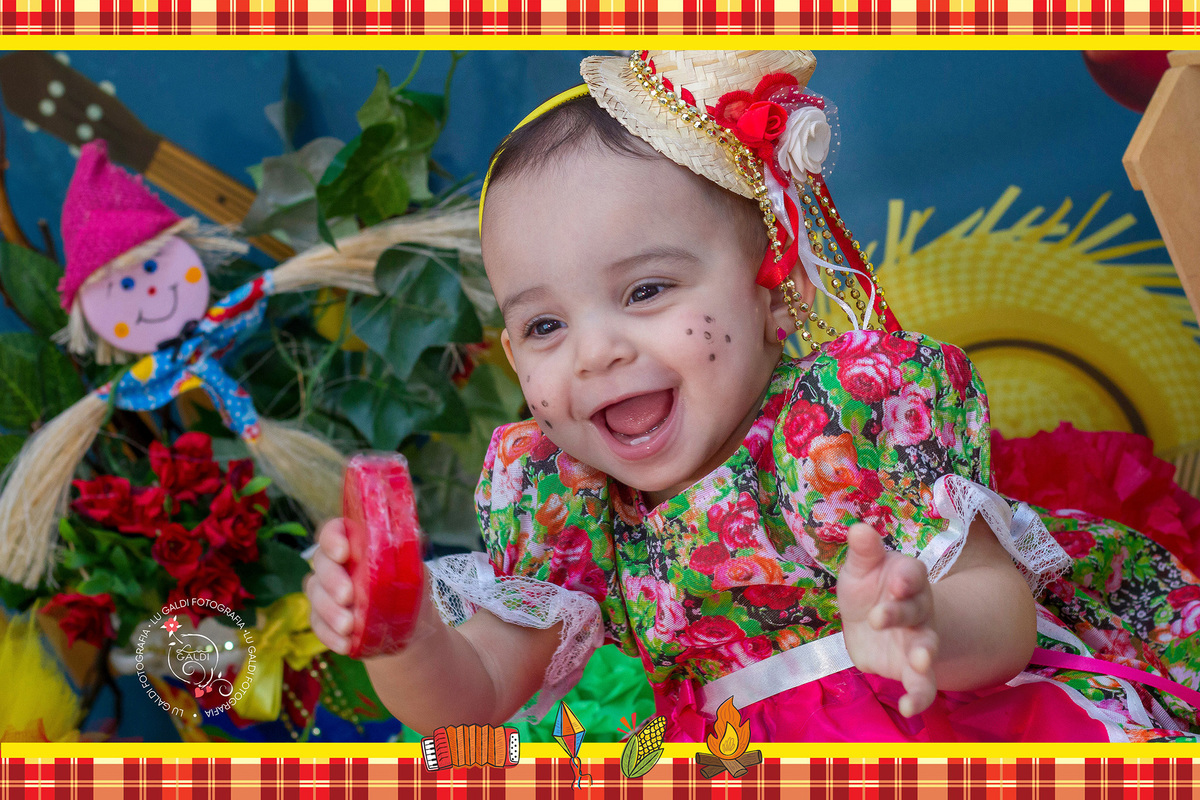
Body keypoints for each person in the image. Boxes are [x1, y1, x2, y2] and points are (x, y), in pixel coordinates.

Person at [305, 50, 1200, 742]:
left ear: (776, 296)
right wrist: (409, 638)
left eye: (646, 291)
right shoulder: (563, 502)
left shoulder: (852, 420)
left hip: (954, 721)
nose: (595, 353)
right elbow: (476, 698)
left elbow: (999, 621)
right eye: (545, 328)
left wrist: (920, 619)